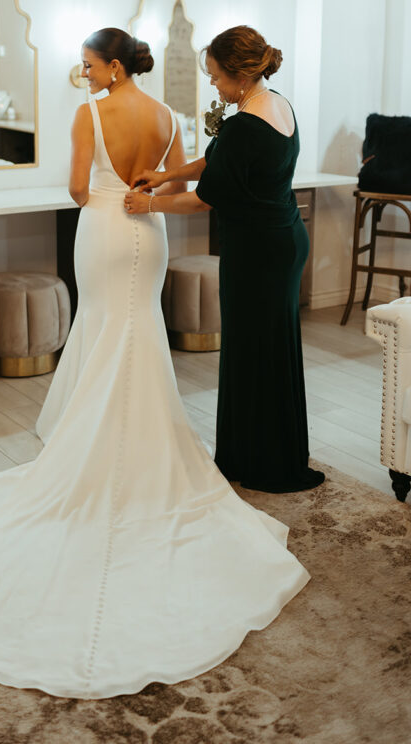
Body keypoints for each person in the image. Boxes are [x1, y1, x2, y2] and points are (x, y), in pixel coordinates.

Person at [0, 27, 310, 699]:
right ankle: (152, 441)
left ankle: (94, 442)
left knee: (102, 328)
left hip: (107, 225)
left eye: (88, 64)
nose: (83, 74)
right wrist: (153, 192)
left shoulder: (88, 114)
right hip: (148, 233)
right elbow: (196, 170)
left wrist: (128, 192)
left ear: (111, 64)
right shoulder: (167, 116)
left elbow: (78, 190)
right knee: (140, 328)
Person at [127, 25, 324, 494]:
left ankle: (262, 462)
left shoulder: (243, 124)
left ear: (238, 75)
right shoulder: (275, 103)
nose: (212, 84)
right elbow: (215, 161)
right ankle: (263, 451)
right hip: (284, 240)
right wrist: (165, 175)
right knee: (268, 349)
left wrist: (148, 204)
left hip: (257, 251)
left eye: (215, 76)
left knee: (253, 351)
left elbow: (205, 198)